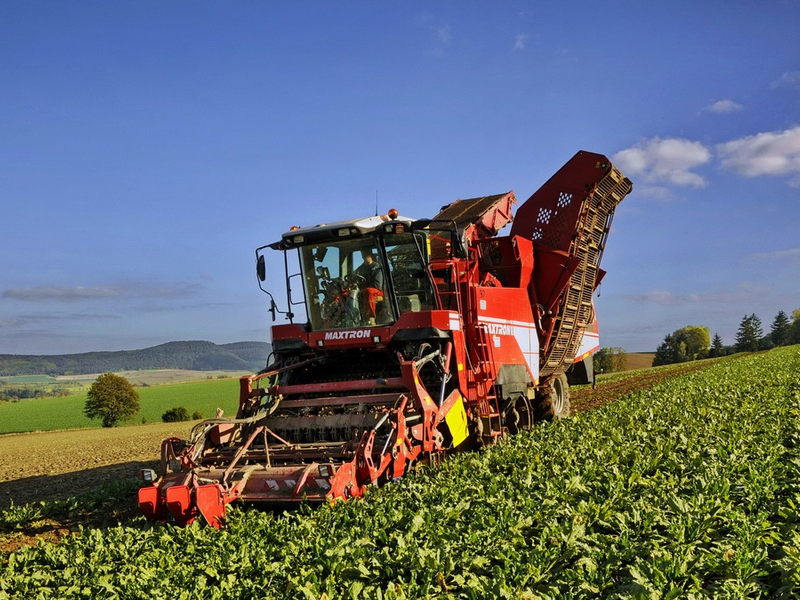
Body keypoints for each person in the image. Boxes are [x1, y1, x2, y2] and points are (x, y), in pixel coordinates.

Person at [355, 248, 384, 324]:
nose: (365, 256)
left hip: (377, 292)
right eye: (363, 255)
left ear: (371, 255)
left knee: (369, 291)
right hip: (362, 292)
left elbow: (377, 286)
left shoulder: (377, 268)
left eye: (366, 254)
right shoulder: (359, 269)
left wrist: (363, 290)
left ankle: (371, 318)